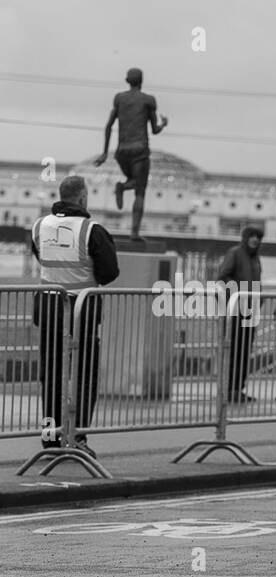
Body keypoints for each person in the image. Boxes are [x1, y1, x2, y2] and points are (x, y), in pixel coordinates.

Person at [30, 175, 120, 456]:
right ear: (82, 197)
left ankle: (49, 438)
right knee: (84, 377)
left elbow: (41, 257)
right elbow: (109, 272)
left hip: (48, 310)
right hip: (81, 313)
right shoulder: (91, 230)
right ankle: (77, 437)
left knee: (51, 376)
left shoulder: (39, 226)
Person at [93, 68, 168, 241]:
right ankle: (134, 232)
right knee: (140, 191)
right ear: (142, 81)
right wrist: (164, 124)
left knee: (134, 181)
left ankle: (124, 186)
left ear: (127, 80)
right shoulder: (148, 100)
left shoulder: (119, 99)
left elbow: (108, 126)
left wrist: (105, 153)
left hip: (122, 152)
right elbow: (155, 130)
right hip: (140, 151)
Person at [217, 225, 263, 402]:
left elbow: (257, 282)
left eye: (258, 237)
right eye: (252, 236)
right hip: (236, 309)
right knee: (234, 350)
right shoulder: (235, 253)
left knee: (244, 351)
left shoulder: (256, 258)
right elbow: (223, 276)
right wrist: (238, 294)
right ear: (245, 238)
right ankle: (228, 389)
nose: (255, 239)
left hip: (250, 311)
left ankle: (238, 389)